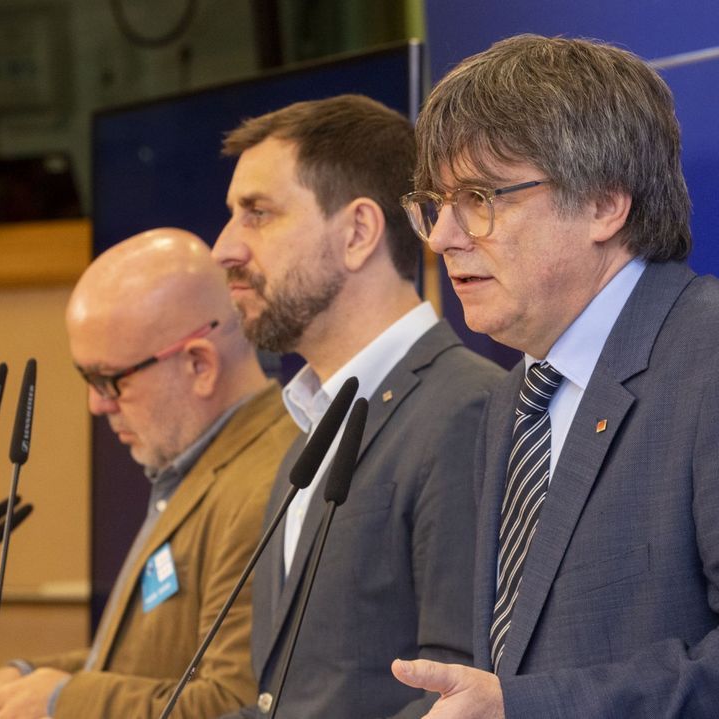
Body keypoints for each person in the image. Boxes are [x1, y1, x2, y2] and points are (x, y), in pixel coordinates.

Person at [390, 34, 719, 718]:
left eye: (482, 198)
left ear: (606, 205)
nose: (443, 236)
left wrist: (525, 709)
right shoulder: (514, 398)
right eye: (437, 202)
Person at [0, 228, 297, 719]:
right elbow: (150, 663)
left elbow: (234, 705)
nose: (96, 404)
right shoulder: (198, 466)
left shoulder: (268, 486)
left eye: (109, 380)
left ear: (198, 364)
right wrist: (25, 680)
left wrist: (59, 703)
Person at [211, 94, 503, 719]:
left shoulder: (467, 410)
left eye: (257, 214)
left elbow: (455, 692)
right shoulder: (306, 434)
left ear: (358, 233)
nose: (225, 249)